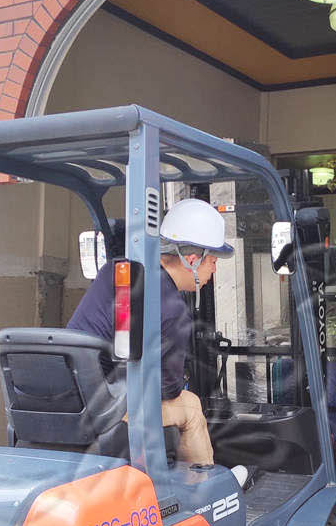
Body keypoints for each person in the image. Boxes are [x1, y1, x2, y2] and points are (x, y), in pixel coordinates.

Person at [67, 197, 230, 467]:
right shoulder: (171, 307)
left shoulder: (114, 271)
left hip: (75, 394)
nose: (213, 269)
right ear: (191, 260)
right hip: (108, 408)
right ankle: (200, 481)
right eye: (212, 261)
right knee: (190, 406)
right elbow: (167, 389)